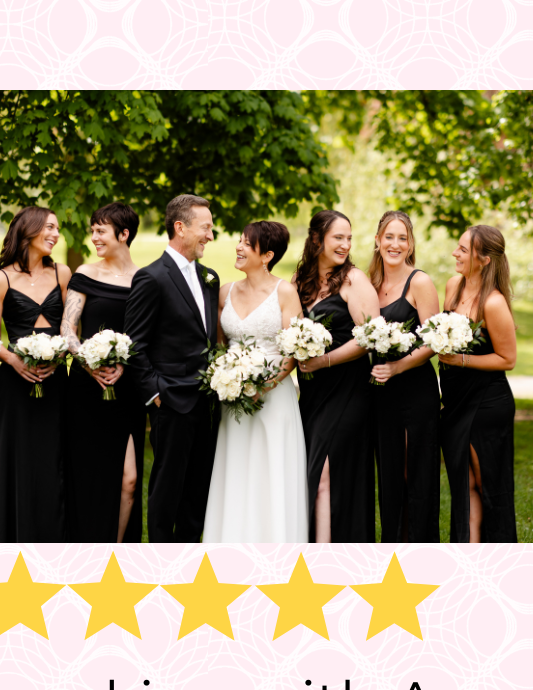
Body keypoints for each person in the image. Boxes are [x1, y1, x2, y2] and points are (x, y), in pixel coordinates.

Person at [123, 193, 220, 544]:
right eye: (205, 228)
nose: (211, 235)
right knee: (167, 490)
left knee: (197, 490)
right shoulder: (152, 278)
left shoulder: (210, 277)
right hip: (171, 402)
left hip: (207, 403)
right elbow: (134, 344)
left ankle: (190, 558)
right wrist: (154, 393)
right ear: (180, 227)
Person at [202, 221, 307, 543]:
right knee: (236, 470)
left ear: (267, 255)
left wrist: (264, 385)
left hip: (273, 400)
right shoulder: (226, 291)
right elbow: (219, 347)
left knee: (270, 470)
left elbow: (294, 350)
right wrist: (228, 378)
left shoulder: (285, 292)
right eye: (240, 241)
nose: (238, 247)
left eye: (247, 244)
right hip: (233, 400)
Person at [292, 210, 379, 543]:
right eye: (337, 237)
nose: (345, 245)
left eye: (349, 238)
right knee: (313, 474)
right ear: (317, 239)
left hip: (348, 391)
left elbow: (370, 337)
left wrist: (324, 361)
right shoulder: (300, 280)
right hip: (312, 394)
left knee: (326, 474)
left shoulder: (354, 279)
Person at [0, 207, 70, 542]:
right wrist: (15, 361)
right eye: (49, 226)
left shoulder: (63, 273)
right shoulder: (0, 280)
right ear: (28, 229)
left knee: (55, 458)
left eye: (57, 228)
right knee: (18, 458)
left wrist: (59, 354)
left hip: (56, 381)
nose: (55, 233)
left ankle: (55, 532)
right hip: (16, 385)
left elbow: (70, 328)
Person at [61, 202, 143, 542]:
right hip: (85, 388)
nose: (94, 237)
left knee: (129, 480)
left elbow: (146, 335)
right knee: (85, 475)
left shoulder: (145, 279)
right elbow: (68, 327)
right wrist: (87, 360)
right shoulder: (84, 274)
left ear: (123, 234)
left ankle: (117, 549)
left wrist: (125, 363)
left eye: (101, 231)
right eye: (92, 230)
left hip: (127, 389)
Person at [439, 224, 518, 543]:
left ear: (484, 259)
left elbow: (507, 359)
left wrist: (462, 360)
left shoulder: (494, 302)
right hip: (455, 402)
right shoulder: (453, 286)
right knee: (463, 484)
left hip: (486, 405)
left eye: (463, 249)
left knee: (487, 486)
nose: (455, 253)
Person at [366, 211, 442, 542]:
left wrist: (398, 366)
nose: (395, 244)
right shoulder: (368, 283)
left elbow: (435, 340)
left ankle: (421, 547)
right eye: (389, 237)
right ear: (378, 240)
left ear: (410, 244)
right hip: (380, 393)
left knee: (417, 475)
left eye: (402, 238)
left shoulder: (420, 282)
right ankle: (392, 547)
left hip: (415, 390)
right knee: (390, 474)